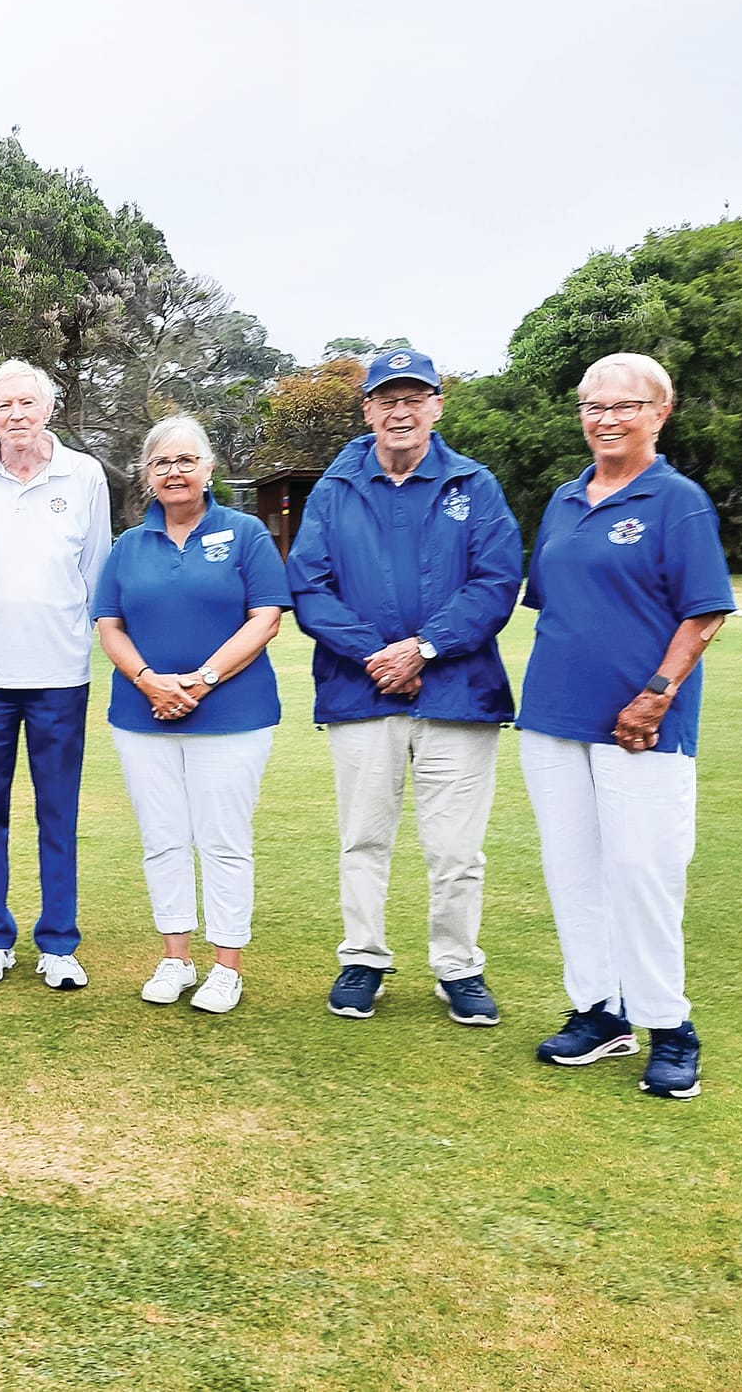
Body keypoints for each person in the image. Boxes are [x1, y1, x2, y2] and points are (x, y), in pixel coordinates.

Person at [516, 353, 732, 1100]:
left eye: (624, 406)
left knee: (643, 874)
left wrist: (657, 692)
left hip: (641, 725)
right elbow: (551, 599)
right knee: (573, 872)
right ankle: (599, 1011)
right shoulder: (564, 500)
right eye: (592, 407)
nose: (605, 419)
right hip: (551, 719)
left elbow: (704, 611)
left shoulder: (679, 501)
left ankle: (671, 1027)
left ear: (659, 413)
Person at [286, 347, 523, 1026]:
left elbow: (496, 583)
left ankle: (458, 967)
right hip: (362, 694)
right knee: (364, 838)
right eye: (387, 398)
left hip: (459, 694)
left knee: (455, 849)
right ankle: (363, 958)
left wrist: (422, 649)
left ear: (437, 407)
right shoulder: (335, 489)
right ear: (367, 409)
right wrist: (379, 656)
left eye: (414, 397)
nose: (401, 410)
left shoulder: (475, 485)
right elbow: (310, 587)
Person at [94, 415, 288, 1013]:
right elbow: (109, 626)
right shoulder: (128, 545)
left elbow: (266, 618)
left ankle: (226, 966)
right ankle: (175, 958)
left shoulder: (247, 533)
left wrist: (201, 681)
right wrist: (150, 682)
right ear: (147, 476)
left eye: (185, 460)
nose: (174, 472)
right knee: (164, 840)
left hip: (233, 715)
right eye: (161, 463)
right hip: (143, 716)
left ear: (208, 468)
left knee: (224, 842)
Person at [0, 359, 111, 991]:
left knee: (56, 810)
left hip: (60, 673)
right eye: (4, 406)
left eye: (27, 404)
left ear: (47, 410)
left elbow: (95, 572)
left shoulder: (85, 475)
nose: (17, 416)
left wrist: (62, 636)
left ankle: (58, 943)